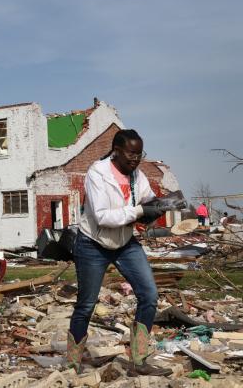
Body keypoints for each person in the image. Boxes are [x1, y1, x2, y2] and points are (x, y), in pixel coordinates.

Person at [68, 129, 171, 376]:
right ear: (116, 151)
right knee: (86, 305)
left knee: (149, 295)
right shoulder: (97, 173)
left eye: (139, 154)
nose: (135, 159)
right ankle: (73, 363)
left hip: (124, 242)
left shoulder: (137, 175)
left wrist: (160, 205)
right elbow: (103, 216)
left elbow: (147, 199)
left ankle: (138, 360)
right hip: (93, 243)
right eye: (130, 154)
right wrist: (139, 212)